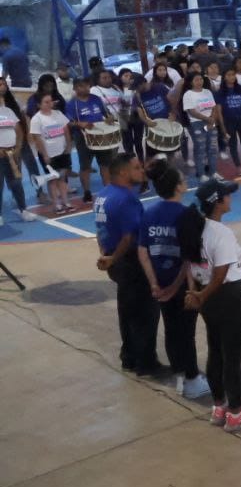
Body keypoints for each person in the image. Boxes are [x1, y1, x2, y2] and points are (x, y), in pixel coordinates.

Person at [183, 177, 241, 431]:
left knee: (216, 350)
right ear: (217, 203)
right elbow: (221, 274)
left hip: (206, 296)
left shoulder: (195, 228)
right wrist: (203, 294)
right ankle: (236, 412)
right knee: (232, 356)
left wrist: (195, 293)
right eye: (227, 195)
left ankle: (219, 407)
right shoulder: (220, 233)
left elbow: (189, 263)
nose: (230, 198)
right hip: (227, 296)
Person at [136, 160, 210, 399]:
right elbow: (189, 257)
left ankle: (180, 373)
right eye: (183, 180)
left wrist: (154, 284)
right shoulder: (187, 215)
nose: (186, 182)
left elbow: (143, 251)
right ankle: (192, 380)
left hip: (160, 282)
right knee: (186, 332)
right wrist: (181, 287)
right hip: (182, 284)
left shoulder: (149, 213)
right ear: (177, 187)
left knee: (170, 328)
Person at [94, 153, 160, 375]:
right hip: (130, 262)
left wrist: (106, 255)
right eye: (136, 167)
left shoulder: (102, 195)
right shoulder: (126, 199)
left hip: (113, 260)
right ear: (123, 172)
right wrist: (114, 257)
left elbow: (100, 229)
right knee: (145, 314)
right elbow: (129, 236)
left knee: (127, 309)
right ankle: (146, 363)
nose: (141, 171)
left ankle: (129, 357)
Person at [67, 76, 114, 203]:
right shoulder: (72, 104)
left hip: (101, 135)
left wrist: (109, 118)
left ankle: (108, 191)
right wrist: (80, 124)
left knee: (105, 164)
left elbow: (106, 114)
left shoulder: (96, 99)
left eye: (87, 85)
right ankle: (87, 192)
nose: (86, 88)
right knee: (85, 166)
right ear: (75, 88)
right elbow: (68, 123)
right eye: (82, 86)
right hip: (83, 138)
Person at [28, 92, 73, 212]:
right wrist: (45, 155)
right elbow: (37, 139)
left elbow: (66, 130)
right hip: (49, 155)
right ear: (39, 104)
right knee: (52, 179)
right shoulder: (36, 119)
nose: (49, 104)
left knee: (62, 177)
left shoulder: (58, 114)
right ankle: (56, 204)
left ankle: (66, 201)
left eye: (50, 101)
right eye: (46, 102)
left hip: (62, 152)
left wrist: (68, 146)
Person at [0, 79, 36, 222]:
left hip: (12, 153)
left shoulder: (8, 111)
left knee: (16, 182)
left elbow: (18, 130)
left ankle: (24, 210)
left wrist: (18, 147)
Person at [181, 72, 221, 183]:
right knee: (200, 149)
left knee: (212, 148)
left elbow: (214, 107)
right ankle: (201, 173)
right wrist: (207, 119)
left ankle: (213, 172)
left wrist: (212, 118)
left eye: (201, 79)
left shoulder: (207, 92)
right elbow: (192, 111)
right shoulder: (188, 94)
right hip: (197, 123)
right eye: (196, 80)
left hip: (211, 122)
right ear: (191, 82)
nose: (199, 82)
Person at [216, 70, 241, 176]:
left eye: (233, 75)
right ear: (224, 77)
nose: (232, 77)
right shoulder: (221, 92)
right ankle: (238, 166)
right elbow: (219, 111)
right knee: (232, 145)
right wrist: (222, 125)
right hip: (229, 121)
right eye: (229, 75)